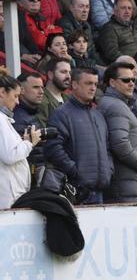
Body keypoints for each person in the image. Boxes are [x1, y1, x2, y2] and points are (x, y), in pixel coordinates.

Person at [44, 67, 112, 204]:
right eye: (88, 83)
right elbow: (53, 148)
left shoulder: (98, 115)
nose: (93, 88)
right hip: (76, 191)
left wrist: (109, 170)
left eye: (95, 84)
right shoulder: (61, 114)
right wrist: (76, 172)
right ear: (74, 84)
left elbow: (107, 149)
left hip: (99, 190)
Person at [97, 62, 137, 202]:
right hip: (129, 181)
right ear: (112, 82)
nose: (131, 84)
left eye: (133, 80)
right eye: (126, 80)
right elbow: (120, 144)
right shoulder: (115, 106)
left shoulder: (116, 104)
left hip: (130, 181)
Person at [0, 68, 42, 209]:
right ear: (2, 92)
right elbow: (10, 155)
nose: (18, 102)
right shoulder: (0, 120)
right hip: (7, 196)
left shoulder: (3, 120)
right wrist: (29, 143)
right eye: (16, 96)